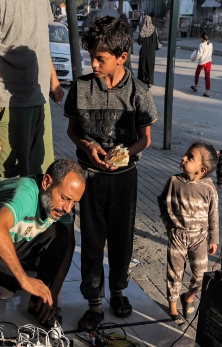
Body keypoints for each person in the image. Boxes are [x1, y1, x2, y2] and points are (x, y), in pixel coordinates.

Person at [64, 17, 157, 330]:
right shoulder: (80, 88)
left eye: (100, 58)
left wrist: (123, 153)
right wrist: (88, 146)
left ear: (122, 57)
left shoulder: (139, 93)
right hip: (88, 178)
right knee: (91, 239)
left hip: (124, 180)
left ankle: (117, 291)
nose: (93, 63)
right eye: (90, 55)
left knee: (121, 240)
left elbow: (145, 139)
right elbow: (72, 130)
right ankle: (93, 301)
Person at [0, 159, 85, 324]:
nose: (68, 208)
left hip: (14, 241)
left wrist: (52, 294)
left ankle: (37, 305)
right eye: (64, 198)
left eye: (74, 202)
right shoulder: (24, 194)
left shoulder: (61, 204)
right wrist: (24, 280)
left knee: (59, 236)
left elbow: (67, 245)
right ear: (46, 182)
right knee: (6, 289)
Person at [0, 0, 65, 188]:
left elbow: (39, 37)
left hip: (39, 102)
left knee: (42, 182)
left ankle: (32, 223)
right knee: (4, 186)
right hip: (5, 108)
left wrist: (53, 79)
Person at [160, 142, 222, 325]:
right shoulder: (174, 182)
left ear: (202, 169)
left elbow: (213, 214)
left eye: (190, 157)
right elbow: (162, 202)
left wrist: (214, 239)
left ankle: (188, 296)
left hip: (199, 239)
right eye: (186, 154)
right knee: (174, 274)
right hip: (177, 237)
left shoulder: (208, 188)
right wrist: (169, 224)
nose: (184, 158)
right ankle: (172, 308)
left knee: (200, 276)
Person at [137, 14, 159, 86]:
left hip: (144, 51)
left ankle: (143, 80)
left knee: (143, 66)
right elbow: (158, 41)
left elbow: (139, 41)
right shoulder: (154, 29)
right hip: (152, 52)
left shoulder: (143, 30)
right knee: (150, 66)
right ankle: (149, 80)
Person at [190, 33, 213, 97]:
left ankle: (195, 86)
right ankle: (207, 92)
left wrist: (194, 59)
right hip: (209, 61)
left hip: (202, 62)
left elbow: (199, 55)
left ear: (202, 38)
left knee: (197, 73)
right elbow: (211, 53)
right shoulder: (210, 44)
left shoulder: (201, 45)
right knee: (207, 76)